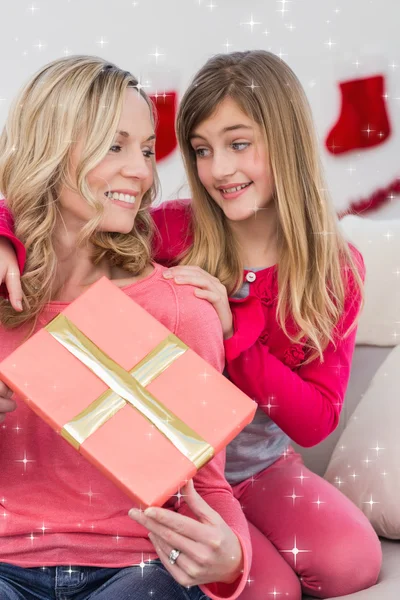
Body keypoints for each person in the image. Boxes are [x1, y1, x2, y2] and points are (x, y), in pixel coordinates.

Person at [0, 51, 382, 599]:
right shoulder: (171, 231)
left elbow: (316, 418)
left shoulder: (331, 270)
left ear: (289, 142)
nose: (219, 169)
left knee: (348, 562)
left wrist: (233, 337)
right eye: (201, 150)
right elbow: (58, 216)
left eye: (239, 143)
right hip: (167, 480)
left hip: (247, 465)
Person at [0, 55, 252, 600]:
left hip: (139, 570)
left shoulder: (179, 308)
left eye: (144, 148)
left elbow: (206, 487)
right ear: (48, 149)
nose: (141, 171)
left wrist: (231, 557)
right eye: (114, 145)